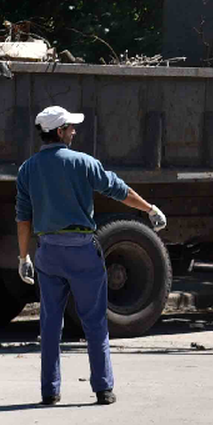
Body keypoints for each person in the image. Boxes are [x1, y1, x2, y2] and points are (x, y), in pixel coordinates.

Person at [15, 106, 165, 407]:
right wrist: (149, 209)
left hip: (48, 253)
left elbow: (23, 217)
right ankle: (103, 389)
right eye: (70, 127)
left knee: (50, 323)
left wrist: (23, 257)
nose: (74, 131)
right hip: (83, 250)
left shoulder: (27, 169)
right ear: (59, 132)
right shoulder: (83, 163)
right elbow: (118, 190)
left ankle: (50, 391)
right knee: (94, 321)